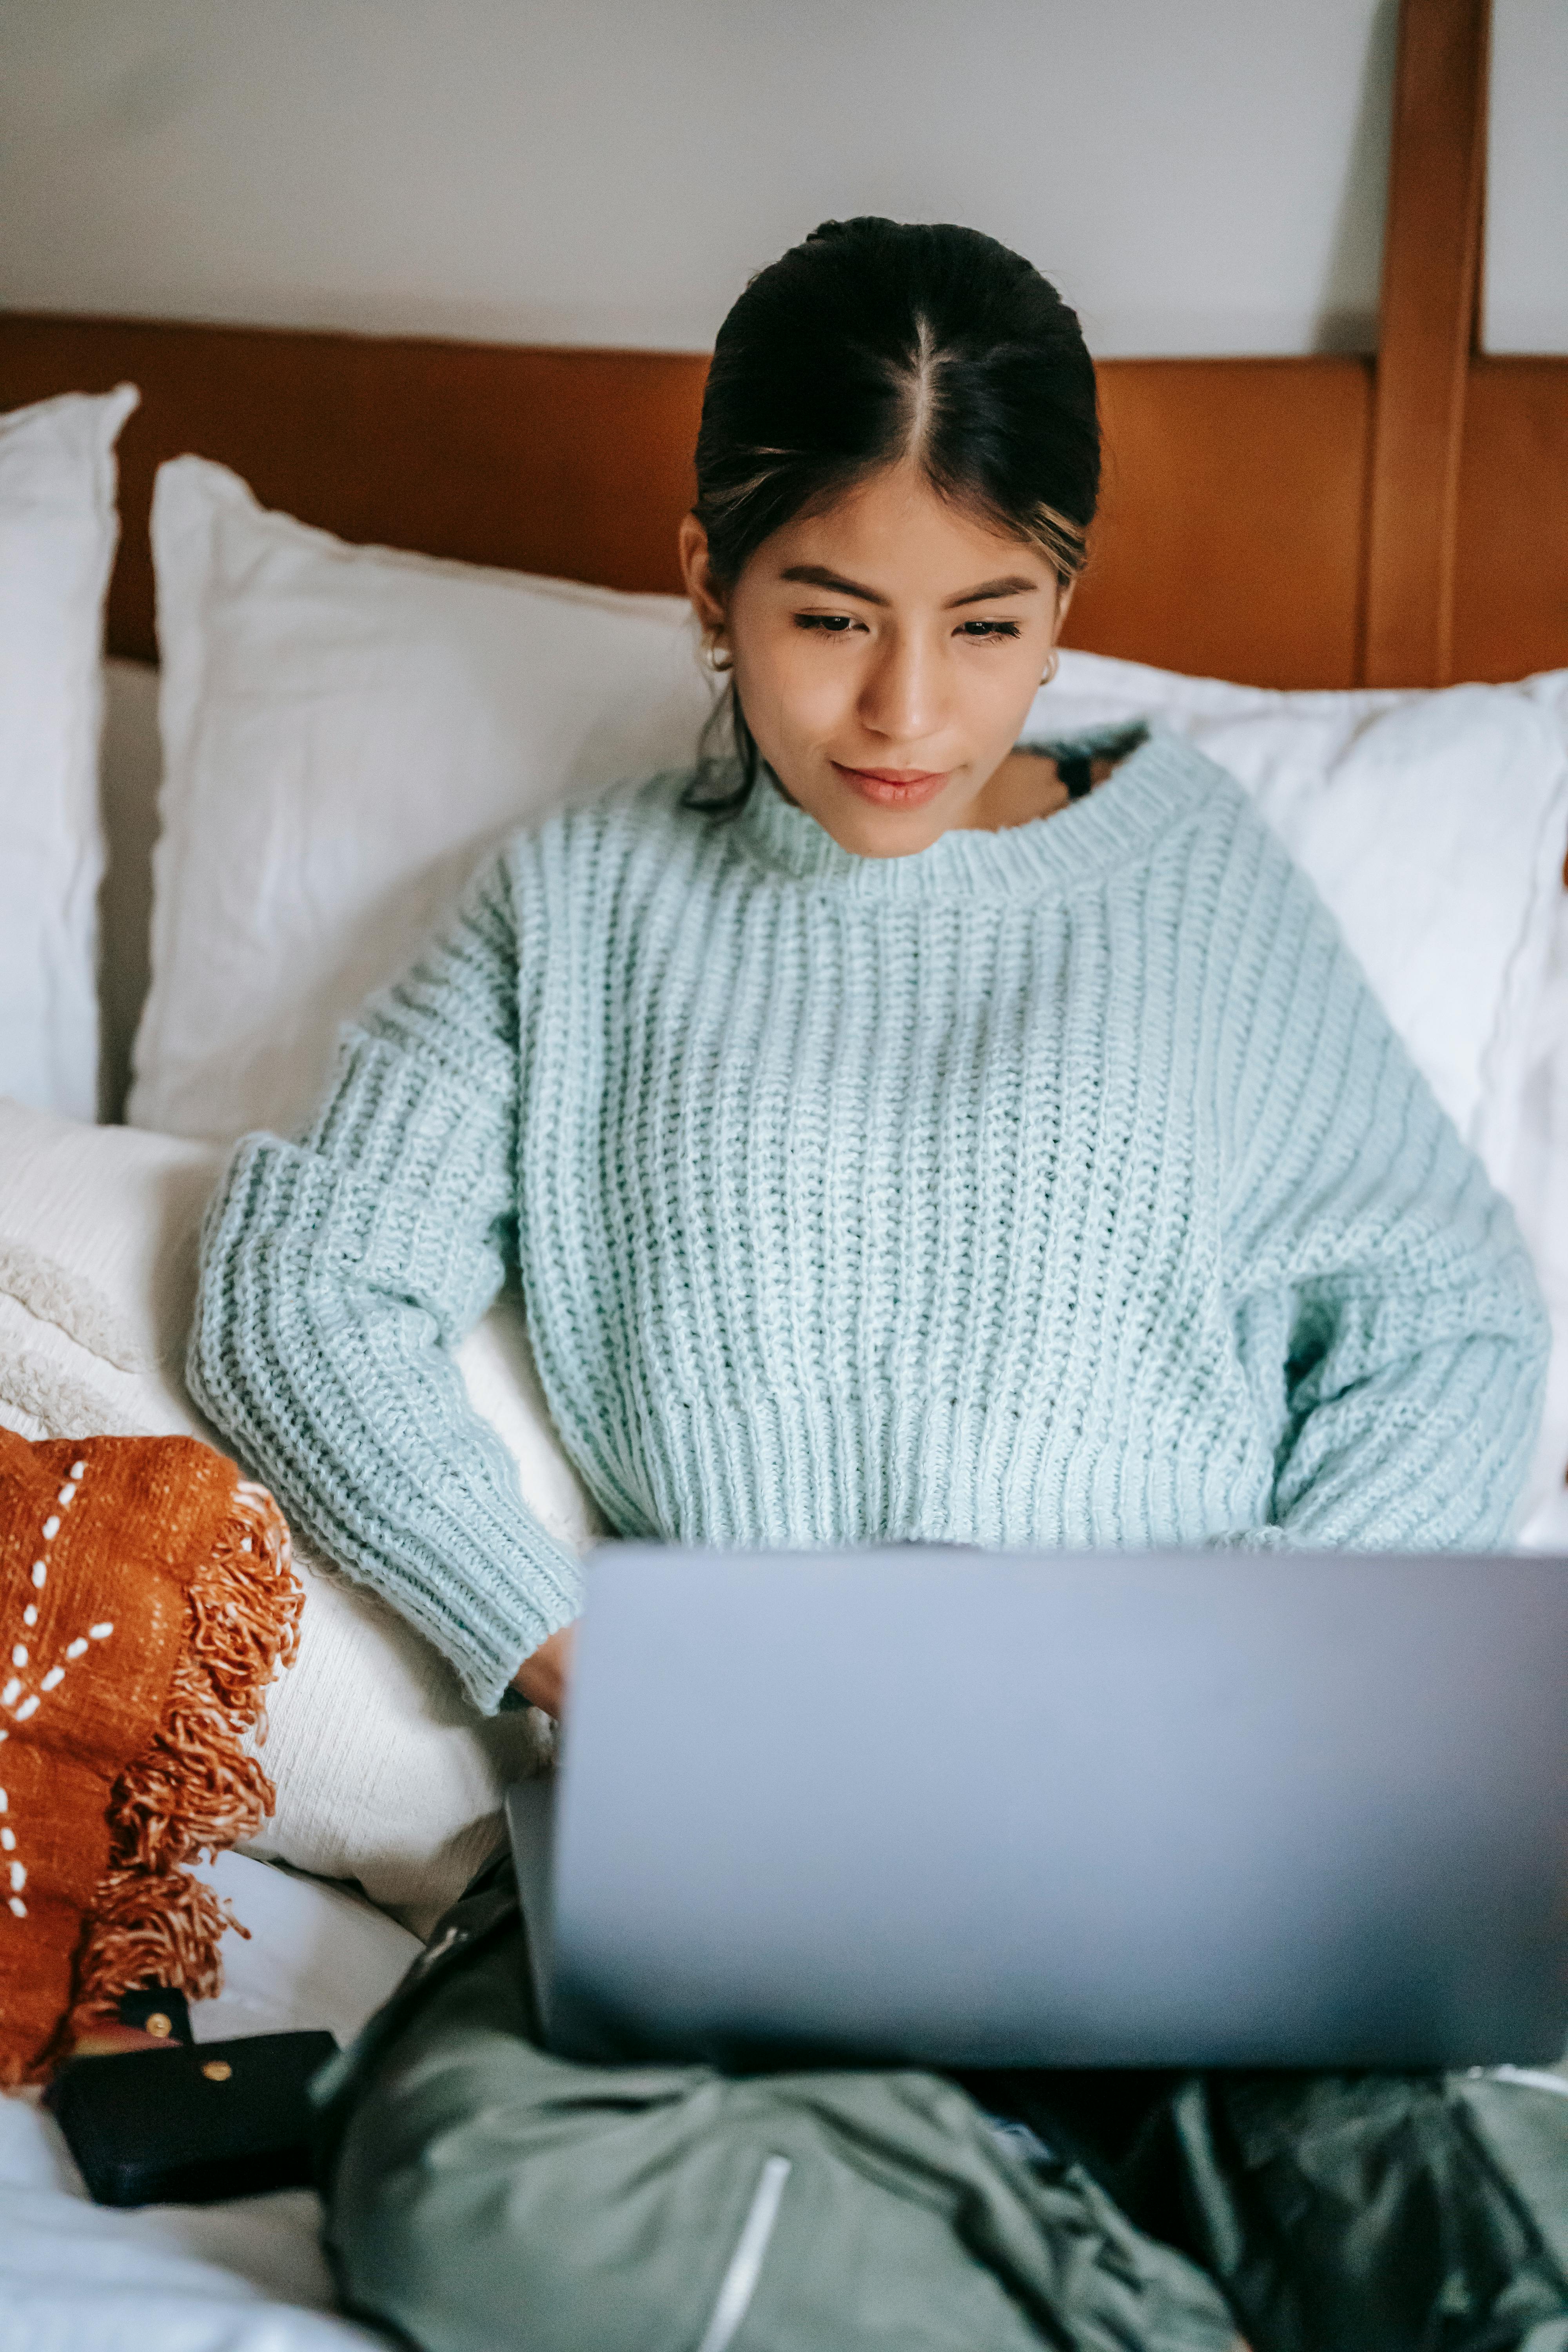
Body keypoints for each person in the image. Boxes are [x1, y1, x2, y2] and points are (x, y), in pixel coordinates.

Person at [191, 221, 1559, 2350]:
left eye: (992, 624)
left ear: (1066, 595)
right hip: (729, 1812)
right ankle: (1124, 2291)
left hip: (1164, 1817)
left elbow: (1446, 1312)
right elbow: (300, 1287)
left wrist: (1282, 1689)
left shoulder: (1193, 888)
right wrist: (553, 1651)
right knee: (457, 2192)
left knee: (1486, 2237)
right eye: (829, 617)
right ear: (706, 579)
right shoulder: (583, 903)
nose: (908, 711)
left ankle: (994, 2199)